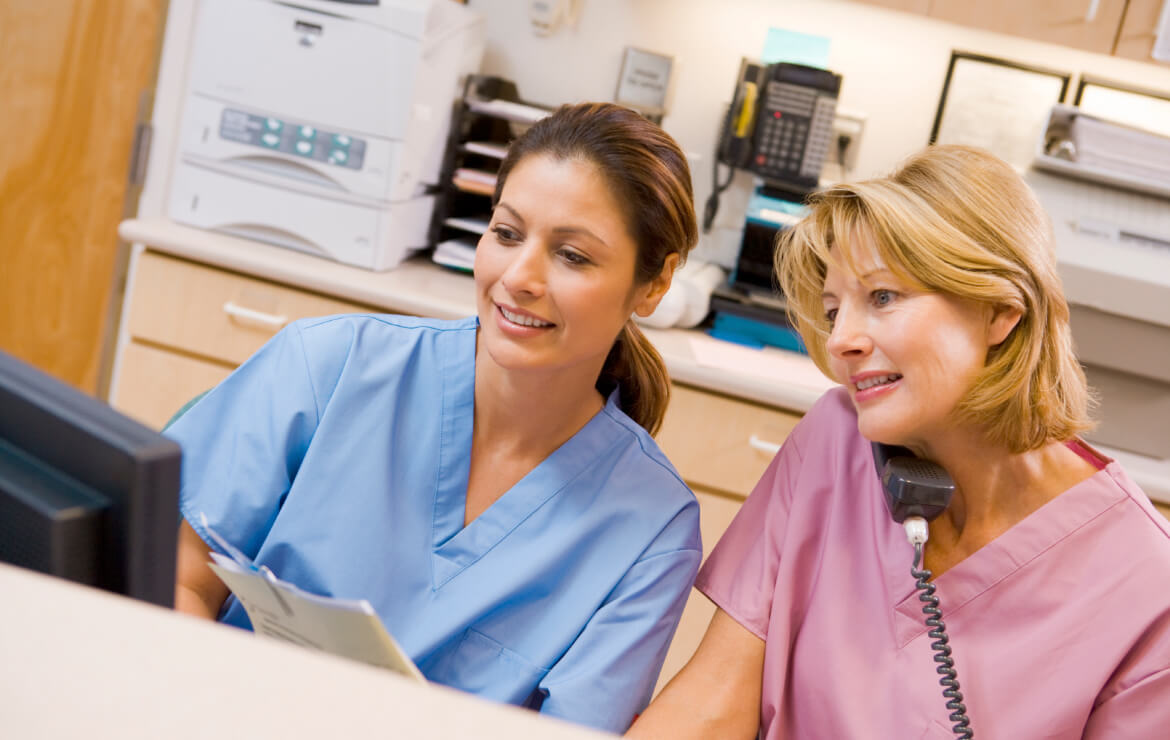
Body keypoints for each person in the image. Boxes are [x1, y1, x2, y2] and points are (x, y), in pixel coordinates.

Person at [168, 102, 703, 732]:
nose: (519, 277)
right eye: (506, 234)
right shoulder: (331, 366)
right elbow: (176, 577)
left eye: (573, 257)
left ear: (654, 284)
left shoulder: (651, 530)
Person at [628, 145, 1170, 739]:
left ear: (1000, 311)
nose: (840, 341)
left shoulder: (1144, 585)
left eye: (882, 297)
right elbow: (714, 699)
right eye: (834, 310)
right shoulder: (836, 441)